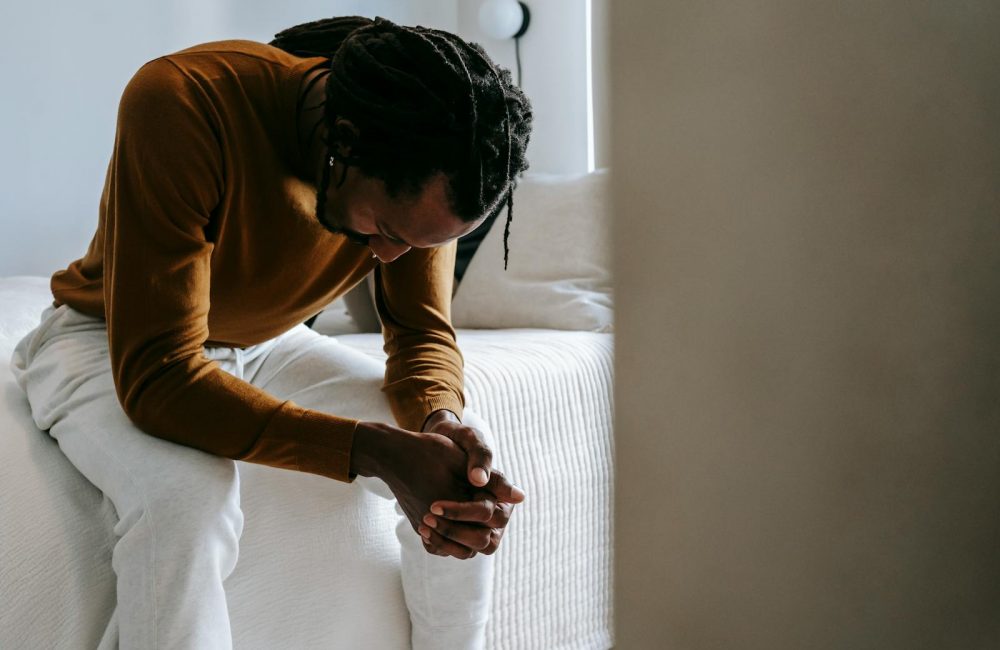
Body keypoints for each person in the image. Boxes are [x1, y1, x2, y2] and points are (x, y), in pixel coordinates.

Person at [10, 15, 533, 650]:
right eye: (387, 232)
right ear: (345, 139)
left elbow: (420, 332)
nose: (390, 258)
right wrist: (371, 450)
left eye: (418, 242)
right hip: (106, 341)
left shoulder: (436, 156)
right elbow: (160, 380)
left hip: (268, 344)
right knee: (186, 503)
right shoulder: (184, 99)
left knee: (461, 470)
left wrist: (438, 421)